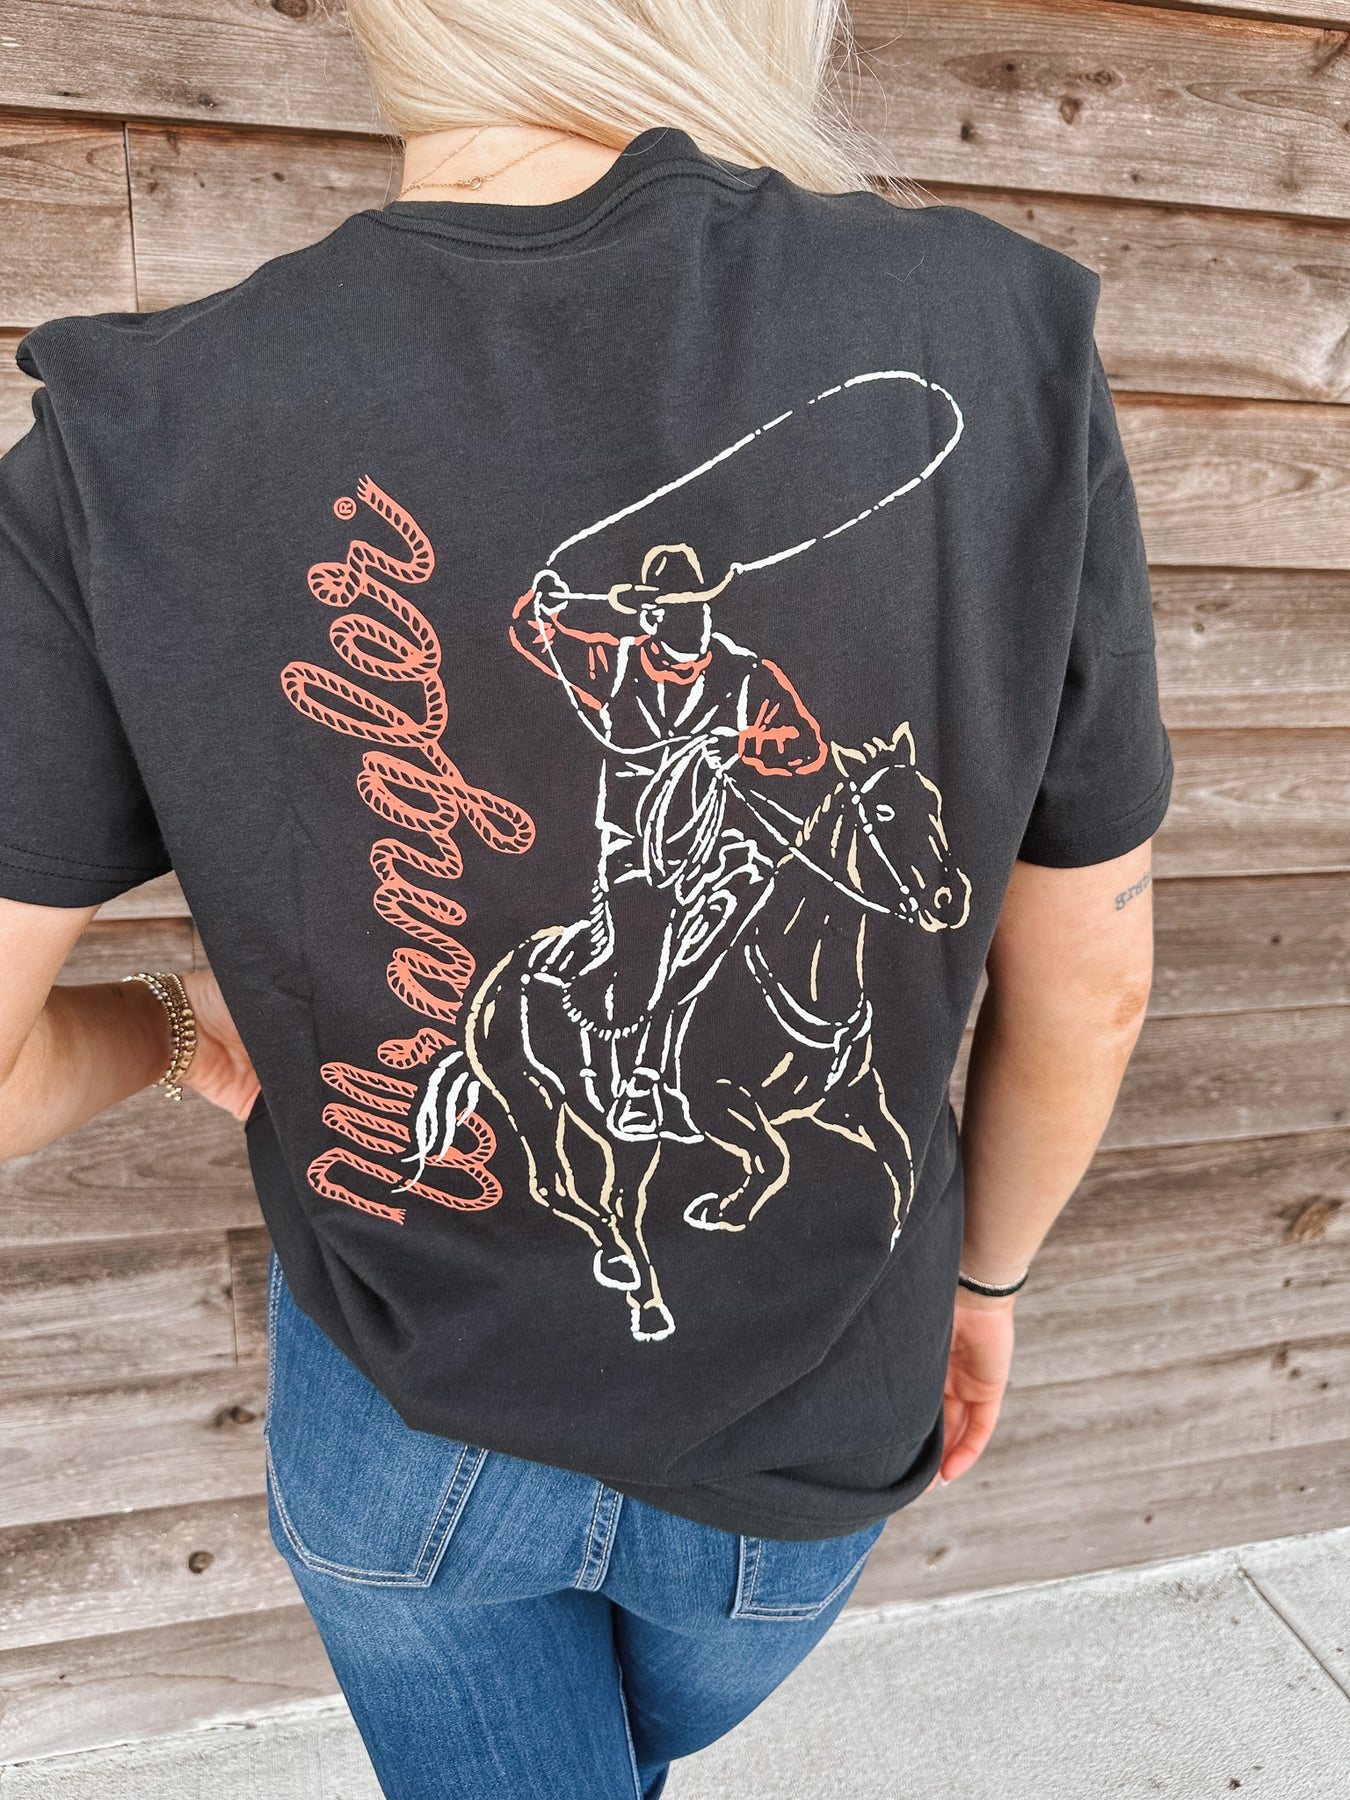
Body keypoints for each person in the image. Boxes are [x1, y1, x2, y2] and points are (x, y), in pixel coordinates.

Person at [0, 1, 1172, 1794]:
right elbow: (1091, 982)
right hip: (814, 1395)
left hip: (398, 1431)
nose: (688, 617)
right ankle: (617, 1078)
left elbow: (801, 767)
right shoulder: (988, 333)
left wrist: (165, 1029)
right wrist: (983, 1278)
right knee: (644, 938)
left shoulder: (137, 434)